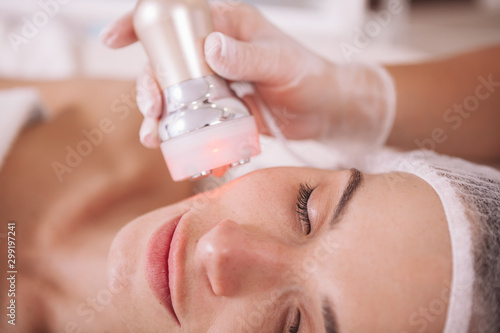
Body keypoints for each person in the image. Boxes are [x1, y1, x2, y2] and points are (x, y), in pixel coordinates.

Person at [0, 2, 498, 333]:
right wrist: (352, 100)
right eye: (306, 207)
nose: (222, 248)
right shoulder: (111, 119)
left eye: (294, 328)